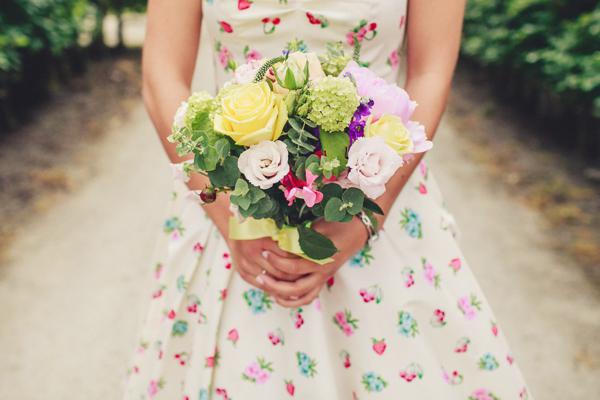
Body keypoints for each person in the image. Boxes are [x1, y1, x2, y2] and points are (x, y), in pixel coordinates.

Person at [125, 0, 533, 398]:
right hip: (231, 206)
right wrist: (229, 217)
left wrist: (363, 220)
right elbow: (160, 77)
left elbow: (431, 74)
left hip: (373, 197)